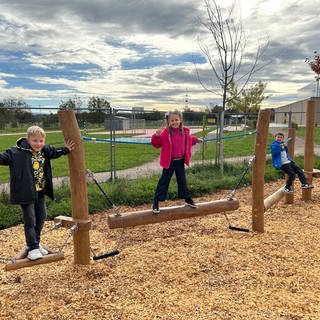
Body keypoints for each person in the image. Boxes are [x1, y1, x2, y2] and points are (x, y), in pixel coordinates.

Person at [0, 126, 75, 260]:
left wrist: (66, 149)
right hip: (25, 192)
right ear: (28, 140)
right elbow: (3, 158)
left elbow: (55, 152)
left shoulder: (44, 150)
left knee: (41, 217)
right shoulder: (15, 152)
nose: (38, 144)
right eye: (35, 141)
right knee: (30, 219)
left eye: (41, 141)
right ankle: (32, 247)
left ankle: (36, 243)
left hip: (40, 192)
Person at [151, 110, 202, 214]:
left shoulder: (184, 131)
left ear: (180, 120)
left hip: (180, 161)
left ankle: (187, 199)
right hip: (169, 162)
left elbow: (188, 140)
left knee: (182, 181)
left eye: (176, 120)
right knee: (164, 182)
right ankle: (156, 203)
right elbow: (157, 144)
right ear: (168, 121)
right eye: (172, 120)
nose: (174, 122)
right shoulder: (166, 132)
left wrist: (196, 140)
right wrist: (156, 135)